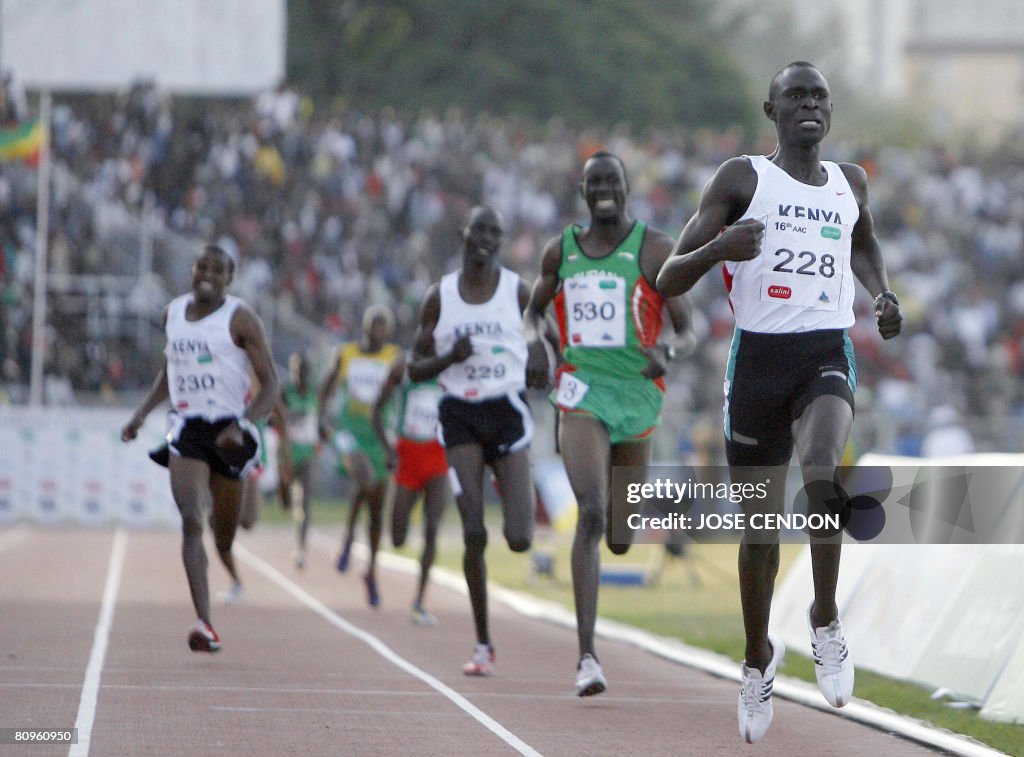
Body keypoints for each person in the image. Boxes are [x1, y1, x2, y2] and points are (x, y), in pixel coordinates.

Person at [656, 62, 902, 743]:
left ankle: (825, 617)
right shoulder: (741, 178)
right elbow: (668, 274)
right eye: (795, 95)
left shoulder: (850, 182)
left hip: (824, 351)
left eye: (819, 95)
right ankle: (758, 656)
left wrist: (881, 292)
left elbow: (865, 243)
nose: (809, 105)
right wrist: (719, 246)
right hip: (757, 363)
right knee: (759, 529)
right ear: (772, 109)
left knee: (823, 470)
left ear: (830, 110)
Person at [524, 151, 694, 697]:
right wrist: (538, 344)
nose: (603, 189)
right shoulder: (561, 250)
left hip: (638, 397)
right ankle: (587, 657)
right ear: (582, 189)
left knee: (620, 536)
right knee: (591, 512)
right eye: (594, 181)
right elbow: (533, 311)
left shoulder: (656, 248)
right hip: (582, 391)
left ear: (626, 188)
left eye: (612, 181)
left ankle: (615, 542)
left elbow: (685, 329)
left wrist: (667, 351)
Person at [121, 244, 279, 652]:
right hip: (188, 428)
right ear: (192, 271)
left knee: (222, 536)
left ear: (230, 277)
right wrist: (140, 415)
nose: (207, 273)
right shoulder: (172, 313)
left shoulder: (241, 318)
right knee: (191, 518)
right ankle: (204, 623)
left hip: (229, 431)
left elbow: (272, 386)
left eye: (217, 269)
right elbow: (169, 369)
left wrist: (242, 424)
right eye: (201, 266)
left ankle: (224, 556)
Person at [408, 204, 535, 675]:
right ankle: (483, 644)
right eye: (478, 229)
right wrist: (448, 359)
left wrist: (543, 358)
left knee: (520, 537)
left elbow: (545, 336)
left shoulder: (516, 291)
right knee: (474, 531)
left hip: (506, 411)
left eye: (494, 233)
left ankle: (486, 636)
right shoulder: (439, 297)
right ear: (464, 233)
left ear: (500, 241)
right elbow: (413, 368)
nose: (485, 238)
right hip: (459, 413)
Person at [318, 305, 400, 606]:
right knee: (364, 479)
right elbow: (325, 388)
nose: (379, 332)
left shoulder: (394, 357)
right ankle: (350, 538)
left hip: (379, 435)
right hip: (349, 432)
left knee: (378, 509)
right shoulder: (347, 354)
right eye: (374, 326)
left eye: (383, 327)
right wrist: (321, 420)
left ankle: (371, 569)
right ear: (364, 328)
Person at [372, 351, 450, 626]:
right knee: (397, 538)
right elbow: (376, 410)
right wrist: (387, 448)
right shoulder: (403, 366)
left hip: (439, 456)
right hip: (407, 455)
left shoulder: (451, 364)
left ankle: (419, 600)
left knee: (432, 528)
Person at [278, 352, 319, 568]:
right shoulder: (285, 392)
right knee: (285, 502)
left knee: (306, 503)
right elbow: (273, 419)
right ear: (293, 371)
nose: (301, 375)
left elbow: (318, 419)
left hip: (308, 454)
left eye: (305, 371)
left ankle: (301, 549)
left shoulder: (314, 393)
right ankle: (283, 494)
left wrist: (325, 431)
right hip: (287, 454)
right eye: (297, 371)